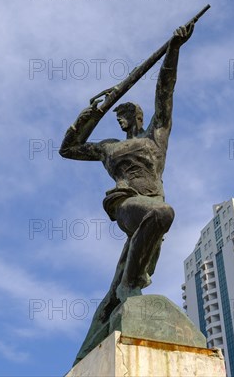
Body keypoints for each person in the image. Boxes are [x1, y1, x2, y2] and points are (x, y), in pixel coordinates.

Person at [59, 24, 194, 365]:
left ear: (137, 116)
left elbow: (165, 93)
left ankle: (118, 298)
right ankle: (127, 289)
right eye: (115, 117)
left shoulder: (155, 138)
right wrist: (93, 112)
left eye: (123, 115)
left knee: (131, 264)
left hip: (153, 202)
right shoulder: (108, 148)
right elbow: (69, 149)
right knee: (160, 216)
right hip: (126, 203)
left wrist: (174, 49)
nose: (120, 122)